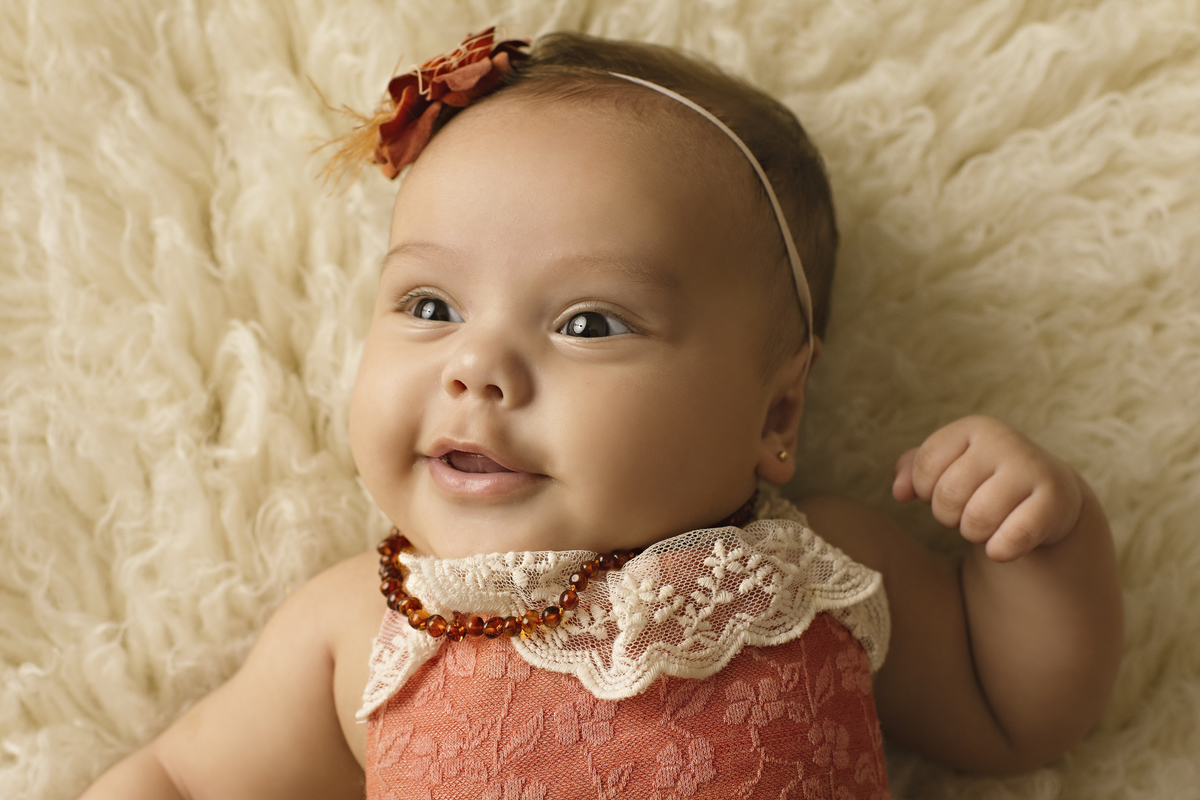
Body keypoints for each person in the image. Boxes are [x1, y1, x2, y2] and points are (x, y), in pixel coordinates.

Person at [80, 28, 1123, 800]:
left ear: (778, 409)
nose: (476, 367)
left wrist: (1040, 543)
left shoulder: (818, 571)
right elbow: (184, 778)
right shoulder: (364, 622)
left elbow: (1013, 709)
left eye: (587, 323)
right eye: (430, 306)